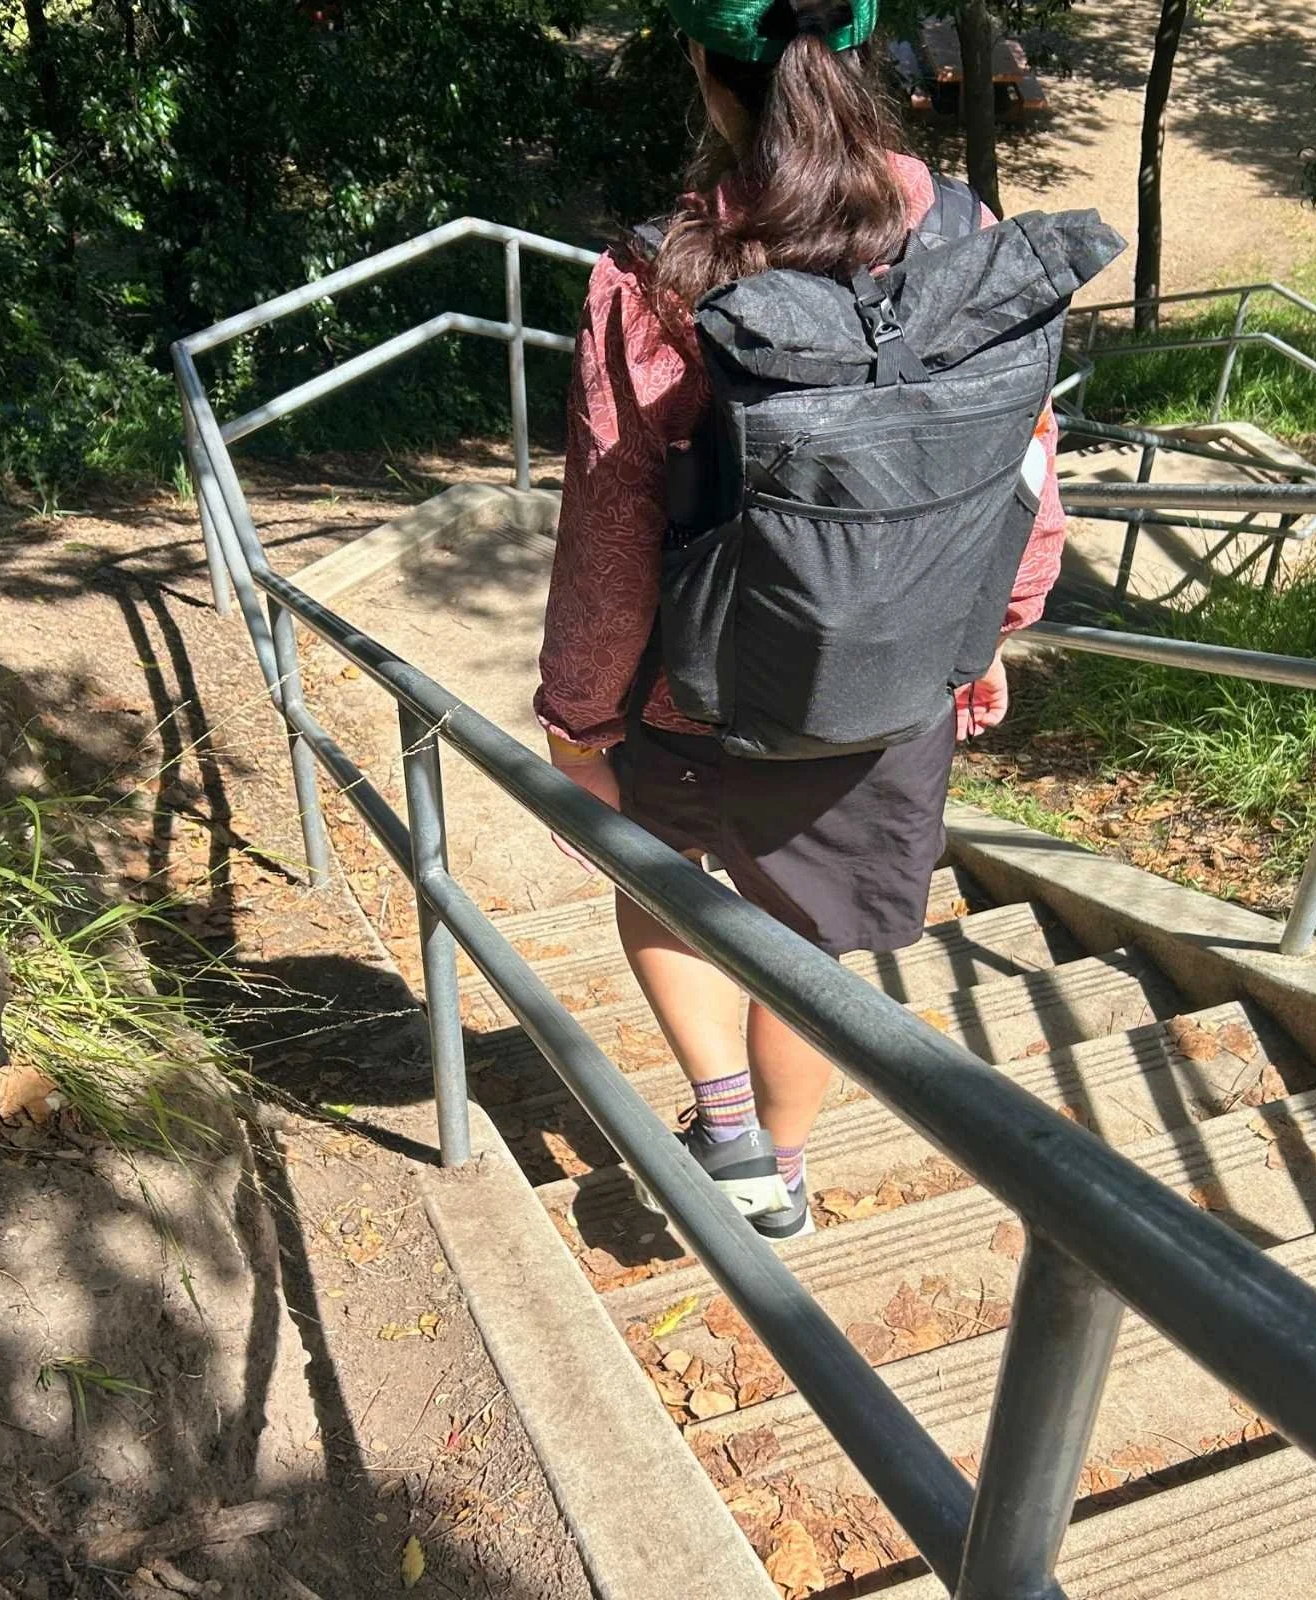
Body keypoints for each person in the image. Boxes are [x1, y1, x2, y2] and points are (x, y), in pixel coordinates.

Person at [534, 0, 1069, 1240]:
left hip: (698, 697)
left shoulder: (655, 272)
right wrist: (986, 634)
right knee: (808, 937)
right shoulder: (963, 238)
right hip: (892, 693)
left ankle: (722, 1123)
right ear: (868, 52)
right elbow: (1026, 452)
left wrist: (576, 720)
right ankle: (778, 1172)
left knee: (663, 888)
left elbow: (613, 528)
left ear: (704, 72)